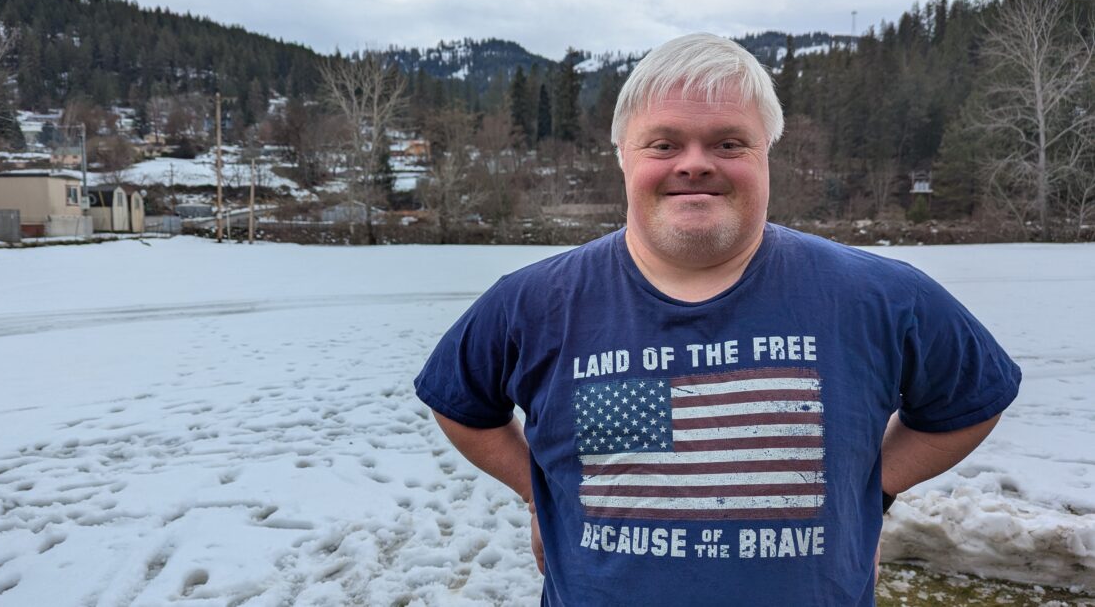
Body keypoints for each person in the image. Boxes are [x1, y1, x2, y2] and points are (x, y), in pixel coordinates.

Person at [414, 33, 1020, 606]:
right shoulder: (533, 302)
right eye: (664, 144)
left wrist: (868, 492)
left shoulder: (880, 296)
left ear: (765, 155)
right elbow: (462, 406)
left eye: (729, 143)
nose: (695, 164)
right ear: (623, 156)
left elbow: (970, 402)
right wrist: (540, 496)